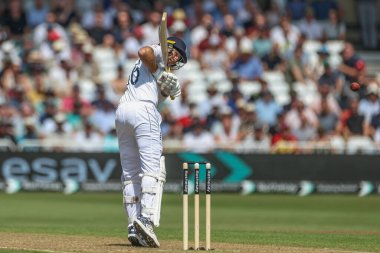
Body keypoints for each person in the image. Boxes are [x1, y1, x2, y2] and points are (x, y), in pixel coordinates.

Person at [115, 36, 187, 247]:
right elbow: (143, 51)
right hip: (143, 111)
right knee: (152, 169)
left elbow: (156, 91)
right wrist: (159, 73)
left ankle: (133, 225)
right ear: (171, 49)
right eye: (177, 55)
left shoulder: (159, 65)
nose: (175, 60)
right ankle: (146, 219)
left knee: (130, 174)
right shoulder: (159, 52)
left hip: (123, 112)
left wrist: (167, 90)